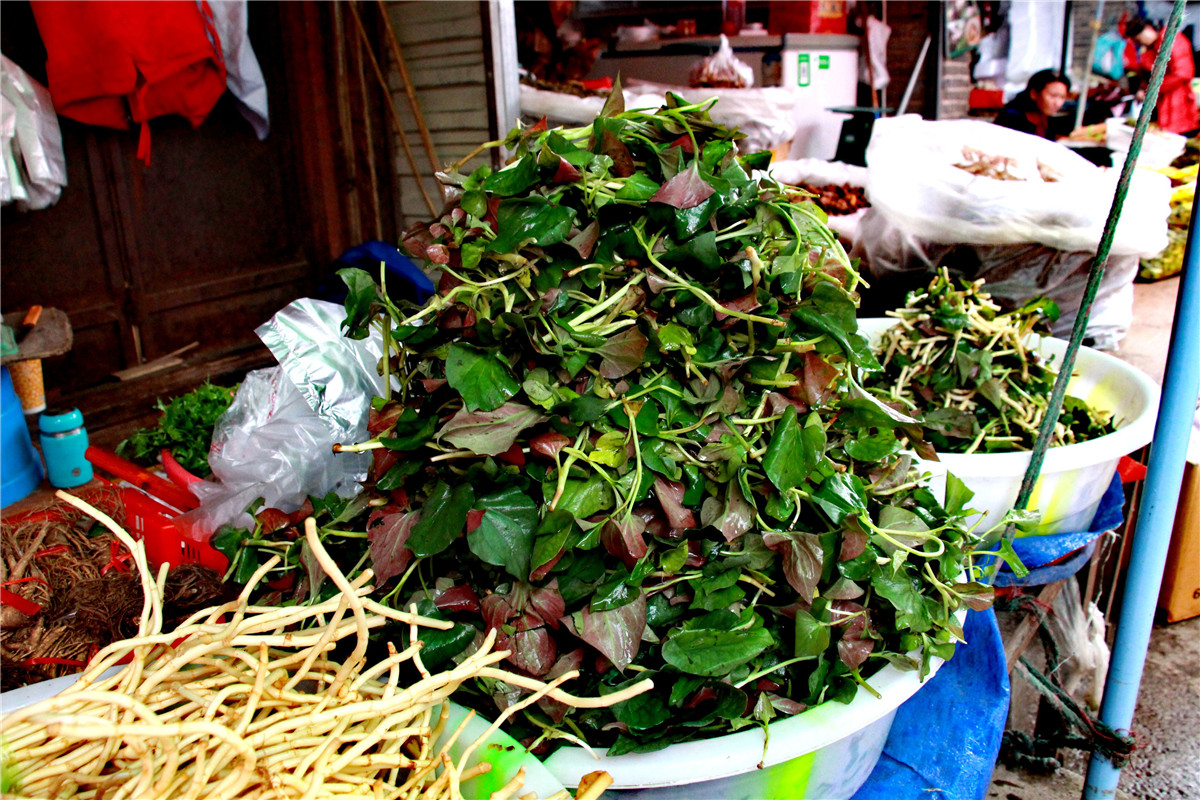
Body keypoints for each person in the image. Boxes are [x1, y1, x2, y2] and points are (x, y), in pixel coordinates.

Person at [1125, 16, 1199, 135]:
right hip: (1160, 107)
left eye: (1139, 39)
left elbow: (1183, 73)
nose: (1139, 43)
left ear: (1148, 29)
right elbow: (1147, 75)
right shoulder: (1150, 49)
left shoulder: (1172, 40)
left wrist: (1152, 90)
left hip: (1178, 105)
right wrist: (1143, 88)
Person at [993, 70, 1074, 140]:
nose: (1058, 103)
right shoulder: (1011, 119)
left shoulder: (1046, 121)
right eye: (1053, 96)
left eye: (1062, 97)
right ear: (1034, 94)